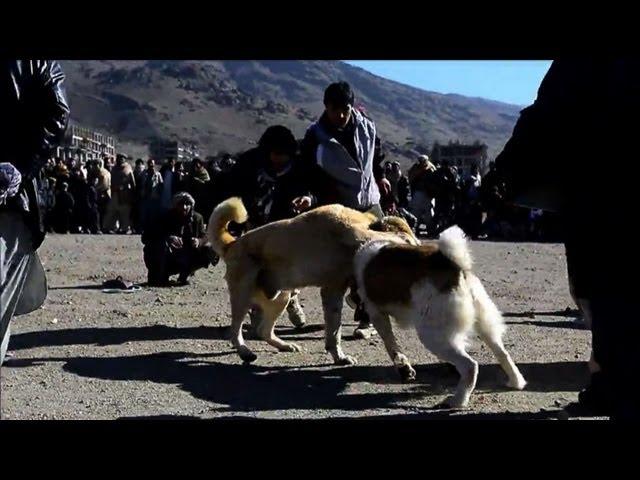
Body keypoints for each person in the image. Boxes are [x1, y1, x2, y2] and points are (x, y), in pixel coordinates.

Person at [494, 59, 640, 419]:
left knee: (612, 294)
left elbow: (550, 112)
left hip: (605, 192)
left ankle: (614, 389)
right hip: (607, 189)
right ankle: (611, 387)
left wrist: (505, 172)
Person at [299, 81, 388, 339]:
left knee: (376, 260)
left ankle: (365, 316)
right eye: (334, 109)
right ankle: (357, 300)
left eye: (345, 109)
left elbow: (376, 153)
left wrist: (380, 175)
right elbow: (307, 172)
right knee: (346, 262)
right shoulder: (314, 136)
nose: (340, 115)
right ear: (325, 107)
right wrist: (307, 195)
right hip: (340, 208)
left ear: (352, 106)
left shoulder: (367, 125)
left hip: (370, 202)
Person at [1, 60, 70, 366]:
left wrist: (20, 167)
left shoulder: (34, 62)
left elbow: (57, 112)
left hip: (10, 198)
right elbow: (57, 112)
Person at [227, 125, 314, 332]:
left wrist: (307, 199)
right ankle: (258, 311)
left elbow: (312, 188)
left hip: (286, 228)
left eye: (284, 155)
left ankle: (291, 297)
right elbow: (234, 192)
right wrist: (239, 221)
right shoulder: (249, 164)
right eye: (275, 154)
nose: (279, 159)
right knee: (257, 270)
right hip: (255, 227)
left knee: (288, 268)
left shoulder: (299, 167)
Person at [141, 192, 212, 287]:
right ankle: (160, 275)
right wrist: (168, 238)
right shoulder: (164, 217)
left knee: (210, 249)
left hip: (186, 255)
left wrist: (199, 241)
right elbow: (146, 237)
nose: (184, 207)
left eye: (187, 204)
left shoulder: (197, 218)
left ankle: (185, 273)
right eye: (181, 204)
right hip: (167, 257)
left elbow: (205, 236)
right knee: (160, 247)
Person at [104, 154, 136, 234]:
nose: (120, 160)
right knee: (112, 211)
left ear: (124, 159)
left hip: (124, 194)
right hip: (114, 193)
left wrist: (132, 194)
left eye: (122, 158)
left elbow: (133, 183)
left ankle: (124, 228)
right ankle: (110, 227)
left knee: (124, 212)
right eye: (118, 158)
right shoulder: (114, 168)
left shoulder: (128, 169)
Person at [407, 154, 438, 236]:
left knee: (429, 213)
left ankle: (431, 230)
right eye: (420, 161)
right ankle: (414, 229)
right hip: (418, 192)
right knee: (415, 213)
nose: (421, 163)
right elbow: (411, 178)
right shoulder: (415, 168)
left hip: (428, 194)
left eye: (423, 161)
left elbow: (435, 180)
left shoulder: (431, 168)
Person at [139, 158, 163, 230]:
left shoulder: (158, 174)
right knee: (144, 214)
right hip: (145, 197)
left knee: (154, 214)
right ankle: (143, 228)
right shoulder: (144, 173)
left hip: (154, 197)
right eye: (150, 163)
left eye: (152, 163)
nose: (151, 165)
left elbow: (161, 184)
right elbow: (140, 183)